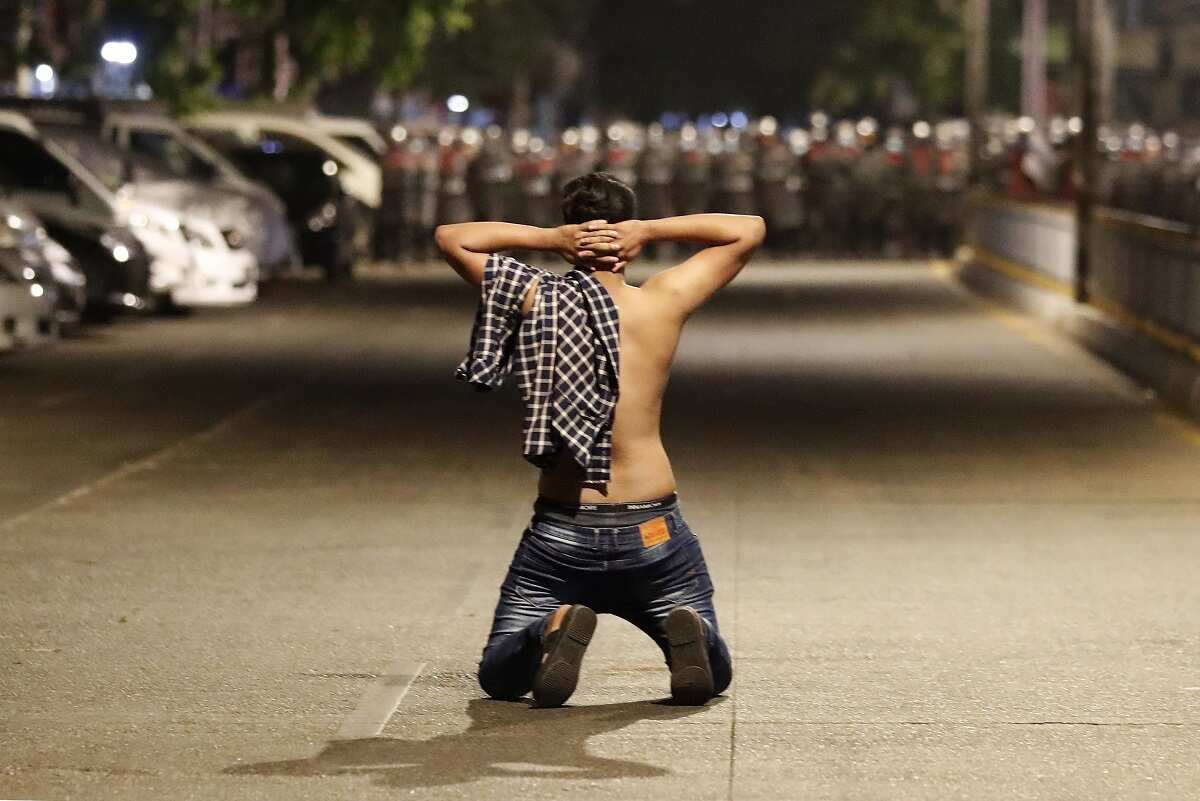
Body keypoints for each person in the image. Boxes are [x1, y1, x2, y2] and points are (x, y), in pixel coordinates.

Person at [435, 172, 764, 708]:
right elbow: (748, 229)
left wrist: (548, 239)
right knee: (716, 670)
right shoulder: (661, 301)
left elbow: (452, 236)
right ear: (626, 237)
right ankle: (693, 636)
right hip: (654, 530)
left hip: (562, 531)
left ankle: (551, 628)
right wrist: (649, 230)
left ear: (572, 237)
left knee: (501, 675)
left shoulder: (535, 297)